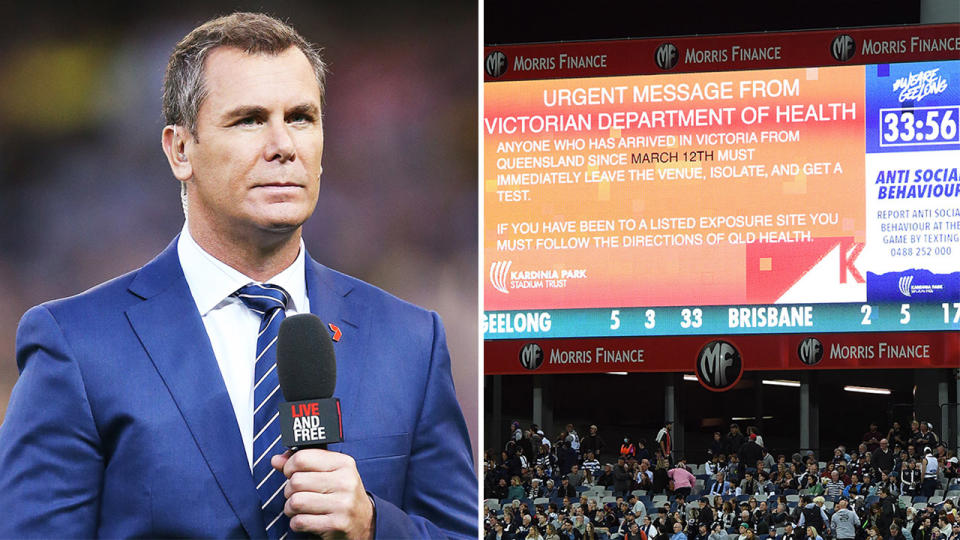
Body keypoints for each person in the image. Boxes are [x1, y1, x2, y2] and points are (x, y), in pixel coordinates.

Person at [0, 12, 475, 539]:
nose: (283, 145)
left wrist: (372, 525)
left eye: (300, 117)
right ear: (181, 150)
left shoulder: (412, 341)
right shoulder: (77, 344)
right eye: (249, 119)